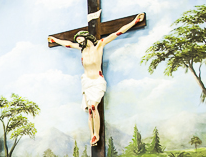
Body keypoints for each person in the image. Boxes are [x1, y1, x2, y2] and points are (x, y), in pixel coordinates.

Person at [47, 13, 144, 145]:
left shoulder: (99, 45)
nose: (80, 43)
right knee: (90, 110)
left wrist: (134, 21)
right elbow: (68, 44)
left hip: (97, 81)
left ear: (87, 38)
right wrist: (54, 39)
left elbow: (118, 32)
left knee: (93, 106)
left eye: (82, 40)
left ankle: (96, 134)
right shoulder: (81, 49)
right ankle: (92, 135)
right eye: (79, 42)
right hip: (86, 81)